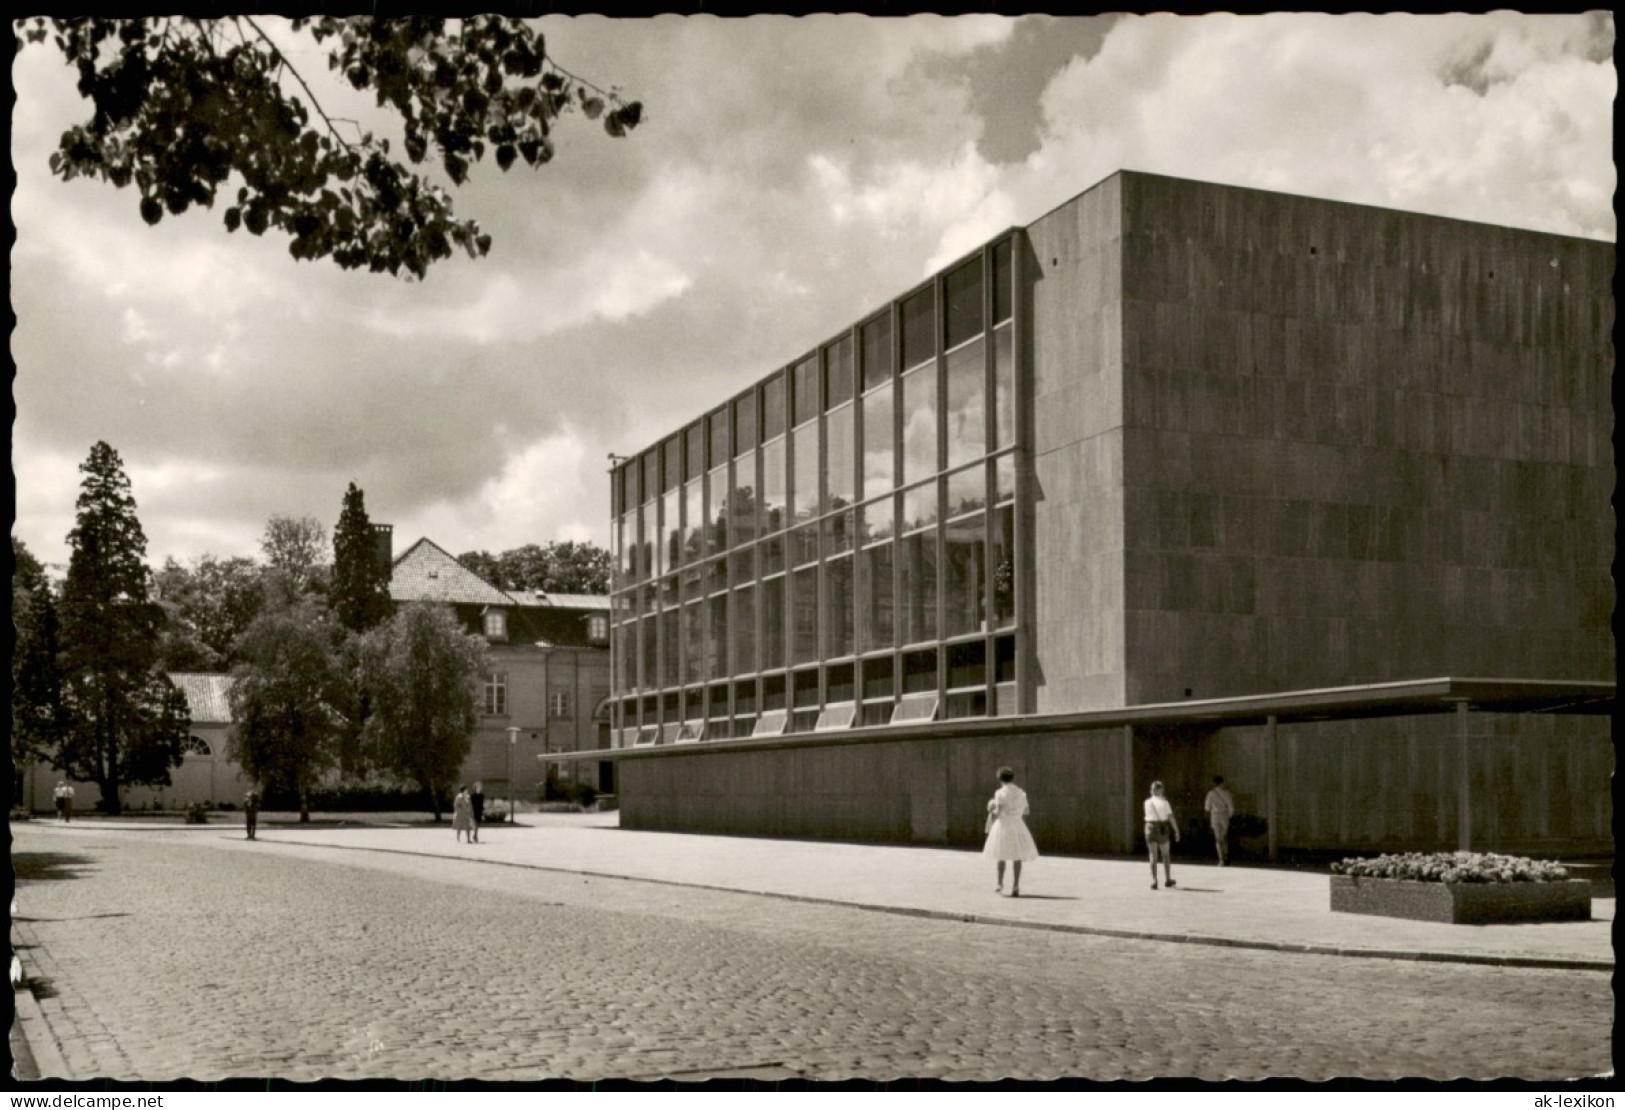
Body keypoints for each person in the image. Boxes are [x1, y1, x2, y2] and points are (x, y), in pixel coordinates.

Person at [982, 766, 1040, 896]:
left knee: (1000, 854)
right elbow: (1026, 811)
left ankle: (999, 883)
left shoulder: (1000, 793)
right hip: (1017, 824)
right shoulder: (1021, 793)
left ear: (1000, 779)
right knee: (1017, 856)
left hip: (1003, 825)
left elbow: (999, 811)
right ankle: (1016, 886)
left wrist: (991, 808)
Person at [1144, 780, 1179, 890]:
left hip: (1149, 827)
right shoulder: (1164, 802)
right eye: (1162, 789)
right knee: (1165, 854)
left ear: (1152, 790)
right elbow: (1170, 817)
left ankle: (1154, 880)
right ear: (1160, 790)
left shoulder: (1147, 802)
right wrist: (1176, 830)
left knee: (1152, 855)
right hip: (1161, 827)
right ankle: (1167, 879)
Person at [1204, 775, 1235, 866]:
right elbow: (1231, 807)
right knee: (1224, 837)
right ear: (1222, 783)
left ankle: (1221, 859)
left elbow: (1207, 808)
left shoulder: (1210, 793)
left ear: (1214, 783)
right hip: (1224, 815)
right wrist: (1228, 816)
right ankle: (1226, 856)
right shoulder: (1227, 793)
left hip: (1215, 816)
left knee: (1217, 838)